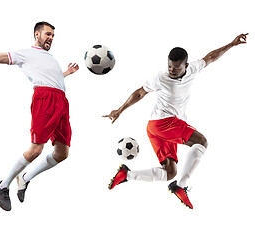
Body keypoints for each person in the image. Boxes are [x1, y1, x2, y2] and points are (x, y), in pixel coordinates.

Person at [104, 33, 248, 209]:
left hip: (159, 128)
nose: (171, 70)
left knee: (170, 172)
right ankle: (181, 186)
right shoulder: (160, 77)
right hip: (162, 122)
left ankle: (127, 175)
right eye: (169, 66)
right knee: (201, 142)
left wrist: (232, 44)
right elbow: (140, 92)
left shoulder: (193, 69)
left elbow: (210, 57)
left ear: (186, 66)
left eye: (176, 68)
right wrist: (119, 110)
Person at [0, 21, 79, 211]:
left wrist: (66, 74)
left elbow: (51, 78)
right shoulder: (25, 54)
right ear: (37, 34)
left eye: (53, 35)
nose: (51, 38)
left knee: (62, 154)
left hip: (62, 101)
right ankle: (3, 185)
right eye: (47, 34)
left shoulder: (51, 57)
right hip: (44, 100)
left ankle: (25, 178)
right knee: (36, 150)